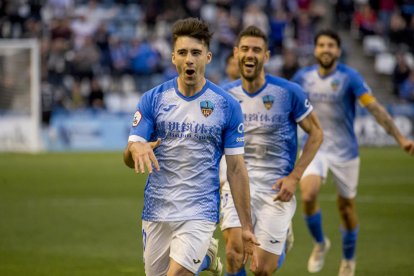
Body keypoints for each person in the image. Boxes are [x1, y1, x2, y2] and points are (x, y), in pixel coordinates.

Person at [123, 18, 258, 276]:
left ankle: (199, 254)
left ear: (207, 57)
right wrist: (133, 149)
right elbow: (131, 155)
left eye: (196, 53)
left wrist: (247, 226)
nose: (189, 59)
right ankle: (206, 258)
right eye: (183, 53)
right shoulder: (153, 99)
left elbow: (236, 169)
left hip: (200, 209)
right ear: (173, 57)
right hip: (157, 209)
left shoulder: (226, 105)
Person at [292, 29, 414, 276]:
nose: (326, 49)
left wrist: (400, 138)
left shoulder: (350, 77)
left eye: (331, 45)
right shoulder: (302, 77)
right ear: (315, 49)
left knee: (346, 208)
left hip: (345, 152)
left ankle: (348, 259)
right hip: (314, 147)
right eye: (322, 45)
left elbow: (375, 109)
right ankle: (320, 243)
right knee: (308, 195)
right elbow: (287, 111)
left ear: (338, 51)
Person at [220, 25, 323, 275]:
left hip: (275, 188)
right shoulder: (224, 96)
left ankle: (282, 240)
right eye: (245, 49)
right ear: (236, 53)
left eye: (257, 50)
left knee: (263, 270)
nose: (250, 54)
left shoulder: (288, 92)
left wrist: (294, 178)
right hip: (237, 184)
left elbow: (317, 134)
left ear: (266, 56)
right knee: (235, 254)